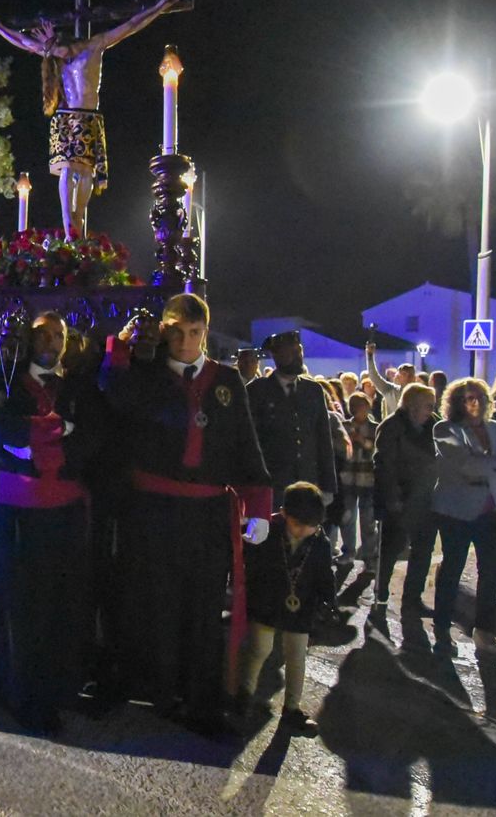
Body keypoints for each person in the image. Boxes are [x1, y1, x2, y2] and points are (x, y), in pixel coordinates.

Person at [101, 292, 272, 733]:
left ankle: (202, 700)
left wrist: (258, 507)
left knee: (203, 608)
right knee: (157, 603)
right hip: (155, 513)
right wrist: (118, 348)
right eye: (175, 332)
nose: (184, 341)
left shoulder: (227, 381)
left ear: (205, 333)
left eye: (194, 332)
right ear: (163, 331)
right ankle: (159, 692)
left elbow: (245, 444)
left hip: (207, 516)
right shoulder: (144, 376)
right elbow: (113, 396)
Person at [0, 312, 99, 734]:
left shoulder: (79, 386)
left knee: (62, 603)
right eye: (43, 334)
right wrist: (57, 431)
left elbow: (95, 438)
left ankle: (58, 688)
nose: (51, 341)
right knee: (21, 606)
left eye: (57, 334)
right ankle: (21, 693)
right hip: (19, 513)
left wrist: (38, 441)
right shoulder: (5, 379)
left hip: (65, 513)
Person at [0, 0, 181, 236]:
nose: (61, 57)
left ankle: (77, 217)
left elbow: (131, 25)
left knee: (86, 170)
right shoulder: (56, 53)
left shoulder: (94, 45)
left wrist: (161, 5)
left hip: (89, 117)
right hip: (67, 116)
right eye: (56, 54)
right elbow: (24, 42)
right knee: (67, 168)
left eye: (61, 51)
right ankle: (68, 221)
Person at [429, 378, 496, 659]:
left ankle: (485, 633)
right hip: (456, 510)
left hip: (493, 508)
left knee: (491, 573)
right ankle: (442, 628)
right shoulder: (444, 429)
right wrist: (495, 465)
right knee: (452, 568)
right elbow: (464, 464)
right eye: (468, 398)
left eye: (480, 397)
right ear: (457, 402)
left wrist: (487, 468)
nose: (475, 403)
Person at [239, 482, 334, 735]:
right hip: (267, 600)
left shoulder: (319, 542)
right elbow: (248, 556)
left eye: (309, 526)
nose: (303, 530)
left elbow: (325, 576)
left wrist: (327, 604)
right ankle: (243, 696)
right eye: (297, 524)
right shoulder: (266, 529)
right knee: (259, 649)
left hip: (301, 607)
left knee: (297, 656)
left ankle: (291, 708)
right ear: (283, 514)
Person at [246, 331, 337, 509]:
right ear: (276, 355)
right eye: (292, 352)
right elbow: (250, 442)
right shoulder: (257, 391)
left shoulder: (313, 390)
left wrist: (328, 486)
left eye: (299, 351)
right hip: (273, 486)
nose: (298, 356)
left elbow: (323, 440)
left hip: (308, 483)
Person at [372, 382, 439, 614]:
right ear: (412, 406)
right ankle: (380, 593)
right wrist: (393, 497)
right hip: (400, 499)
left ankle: (413, 599)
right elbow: (385, 465)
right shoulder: (392, 426)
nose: (431, 410)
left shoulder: (433, 426)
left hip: (426, 499)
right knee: (391, 548)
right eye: (427, 406)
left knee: (423, 551)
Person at [339, 392, 379, 575]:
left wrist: (361, 441)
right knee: (347, 517)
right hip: (348, 477)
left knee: (368, 520)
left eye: (360, 405)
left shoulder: (375, 427)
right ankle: (348, 552)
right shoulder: (344, 426)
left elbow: (375, 449)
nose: (356, 409)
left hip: (367, 478)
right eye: (353, 405)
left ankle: (369, 557)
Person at [364, 341, 415, 421]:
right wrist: (370, 356)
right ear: (398, 376)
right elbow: (374, 376)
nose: (408, 377)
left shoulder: (420, 393)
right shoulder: (390, 390)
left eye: (410, 374)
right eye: (404, 374)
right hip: (392, 431)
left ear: (414, 377)